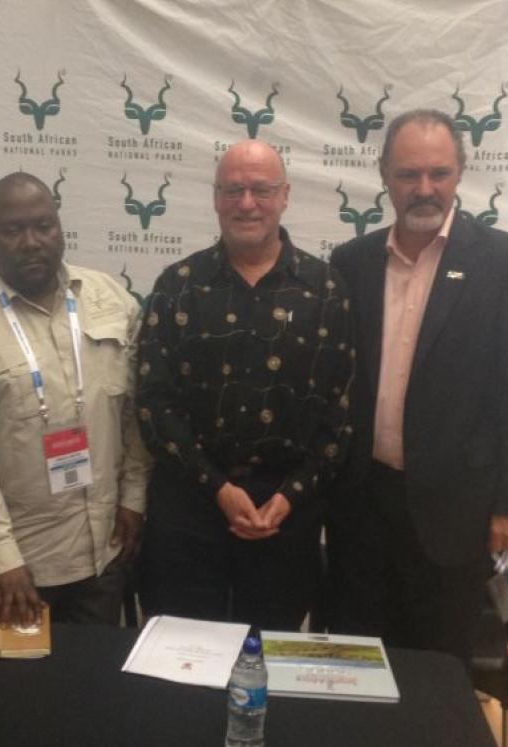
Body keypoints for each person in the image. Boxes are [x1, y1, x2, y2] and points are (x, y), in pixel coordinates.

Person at [327, 110, 508, 660]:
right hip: (362, 504)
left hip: (457, 511)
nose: (424, 189)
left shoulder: (507, 263)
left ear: (461, 172)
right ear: (384, 175)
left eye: (439, 174)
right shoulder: (351, 262)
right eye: (408, 174)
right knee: (357, 656)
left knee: (438, 667)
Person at [134, 140, 355, 631]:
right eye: (233, 190)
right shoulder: (177, 287)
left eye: (261, 189)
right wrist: (217, 487)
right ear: (215, 198)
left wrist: (290, 496)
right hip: (191, 504)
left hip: (286, 511)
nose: (247, 203)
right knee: (183, 658)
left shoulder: (327, 290)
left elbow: (341, 416)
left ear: (285, 195)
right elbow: (153, 404)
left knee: (269, 657)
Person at [0, 173, 149, 626]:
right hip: (8, 571)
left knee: (89, 688)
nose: (30, 241)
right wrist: (3, 560)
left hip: (100, 554)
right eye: (12, 229)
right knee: (7, 696)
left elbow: (134, 417)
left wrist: (135, 497)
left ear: (59, 227)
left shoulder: (110, 300)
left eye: (43, 225)